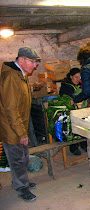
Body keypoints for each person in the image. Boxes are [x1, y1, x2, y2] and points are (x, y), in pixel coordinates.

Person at [0, 47, 41, 202]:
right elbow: (10, 109)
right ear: (21, 60)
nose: (35, 66)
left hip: (19, 126)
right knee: (17, 160)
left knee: (23, 157)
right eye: (32, 62)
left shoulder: (20, 75)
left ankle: (20, 181)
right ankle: (22, 188)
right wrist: (21, 133)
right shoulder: (11, 77)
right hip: (12, 129)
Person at [59, 68, 87, 156]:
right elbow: (67, 100)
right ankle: (73, 147)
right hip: (70, 112)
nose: (78, 79)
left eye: (79, 77)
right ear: (71, 77)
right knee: (73, 129)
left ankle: (83, 144)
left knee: (83, 127)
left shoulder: (79, 86)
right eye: (76, 77)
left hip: (80, 111)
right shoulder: (66, 87)